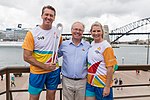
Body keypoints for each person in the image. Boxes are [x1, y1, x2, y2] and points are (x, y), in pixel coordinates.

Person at [22, 5, 61, 100]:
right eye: (46, 14)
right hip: (37, 72)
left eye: (51, 15)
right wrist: (45, 66)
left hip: (53, 72)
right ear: (42, 15)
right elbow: (26, 57)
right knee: (34, 98)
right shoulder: (32, 33)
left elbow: (57, 50)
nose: (48, 17)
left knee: (51, 97)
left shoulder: (58, 33)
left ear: (54, 18)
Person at [58, 21, 90, 100]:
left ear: (83, 32)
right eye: (75, 29)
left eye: (80, 30)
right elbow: (55, 56)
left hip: (82, 81)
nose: (77, 32)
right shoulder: (64, 45)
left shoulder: (88, 45)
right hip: (67, 80)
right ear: (71, 30)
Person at [86, 21, 117, 100]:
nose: (96, 33)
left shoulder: (106, 46)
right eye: (94, 31)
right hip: (90, 83)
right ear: (90, 32)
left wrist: (107, 87)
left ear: (102, 32)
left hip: (102, 84)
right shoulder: (92, 44)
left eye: (98, 31)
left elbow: (110, 68)